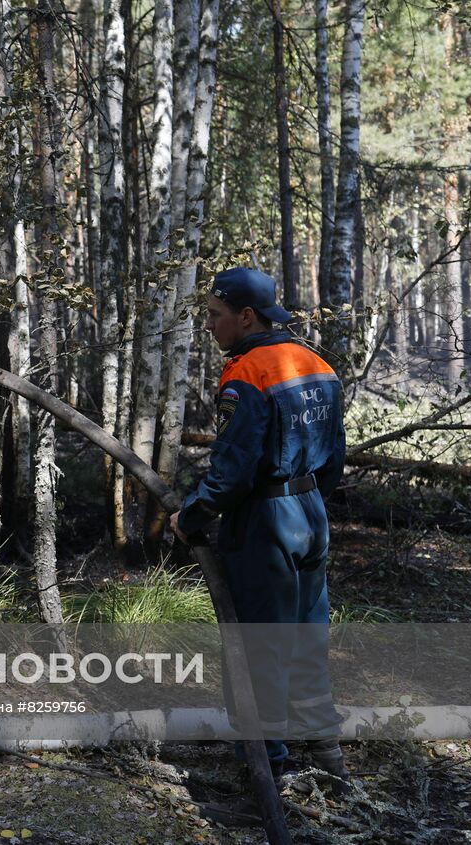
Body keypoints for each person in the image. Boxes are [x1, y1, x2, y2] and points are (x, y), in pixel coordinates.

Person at [168, 267, 350, 786]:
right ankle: (328, 752)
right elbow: (334, 457)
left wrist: (191, 516)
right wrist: (306, 500)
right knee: (308, 640)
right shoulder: (316, 364)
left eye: (215, 315)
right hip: (311, 514)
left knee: (258, 649)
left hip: (266, 522)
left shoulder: (247, 374)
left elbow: (233, 473)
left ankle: (265, 770)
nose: (209, 325)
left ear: (246, 316)